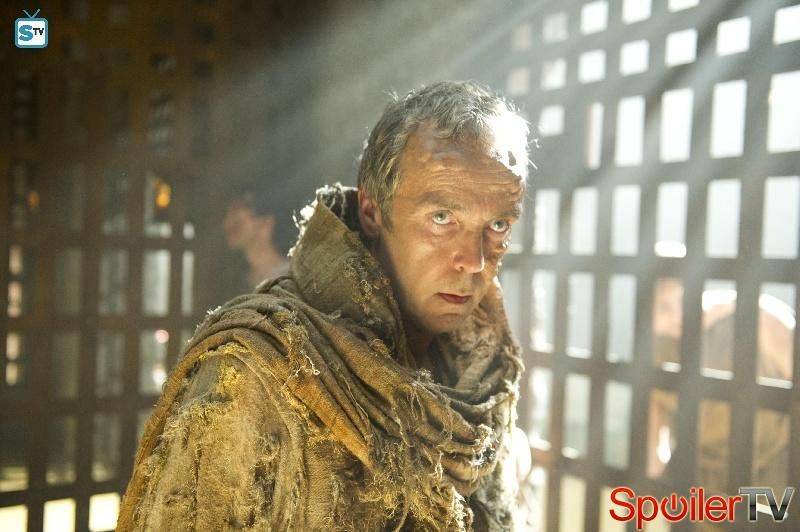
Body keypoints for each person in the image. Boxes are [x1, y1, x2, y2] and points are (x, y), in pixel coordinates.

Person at [117, 81, 531, 531]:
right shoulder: (259, 374)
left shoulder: (486, 371)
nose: (474, 260)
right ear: (372, 212)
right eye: (442, 218)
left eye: (498, 224)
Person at [223, 185, 294, 289]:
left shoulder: (291, 277)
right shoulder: (235, 283)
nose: (226, 223)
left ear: (266, 223)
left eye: (237, 224)